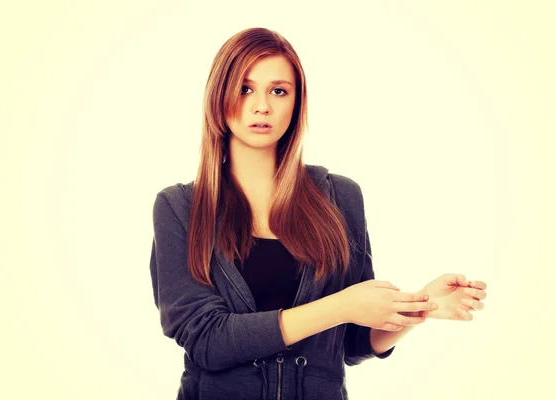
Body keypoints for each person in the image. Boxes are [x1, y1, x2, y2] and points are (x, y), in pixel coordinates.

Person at [149, 27, 487, 400]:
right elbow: (207, 340)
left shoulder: (340, 197)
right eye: (245, 88)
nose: (262, 105)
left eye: (278, 91)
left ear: (296, 102)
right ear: (218, 97)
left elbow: (351, 341)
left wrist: (418, 307)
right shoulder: (180, 208)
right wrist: (340, 306)